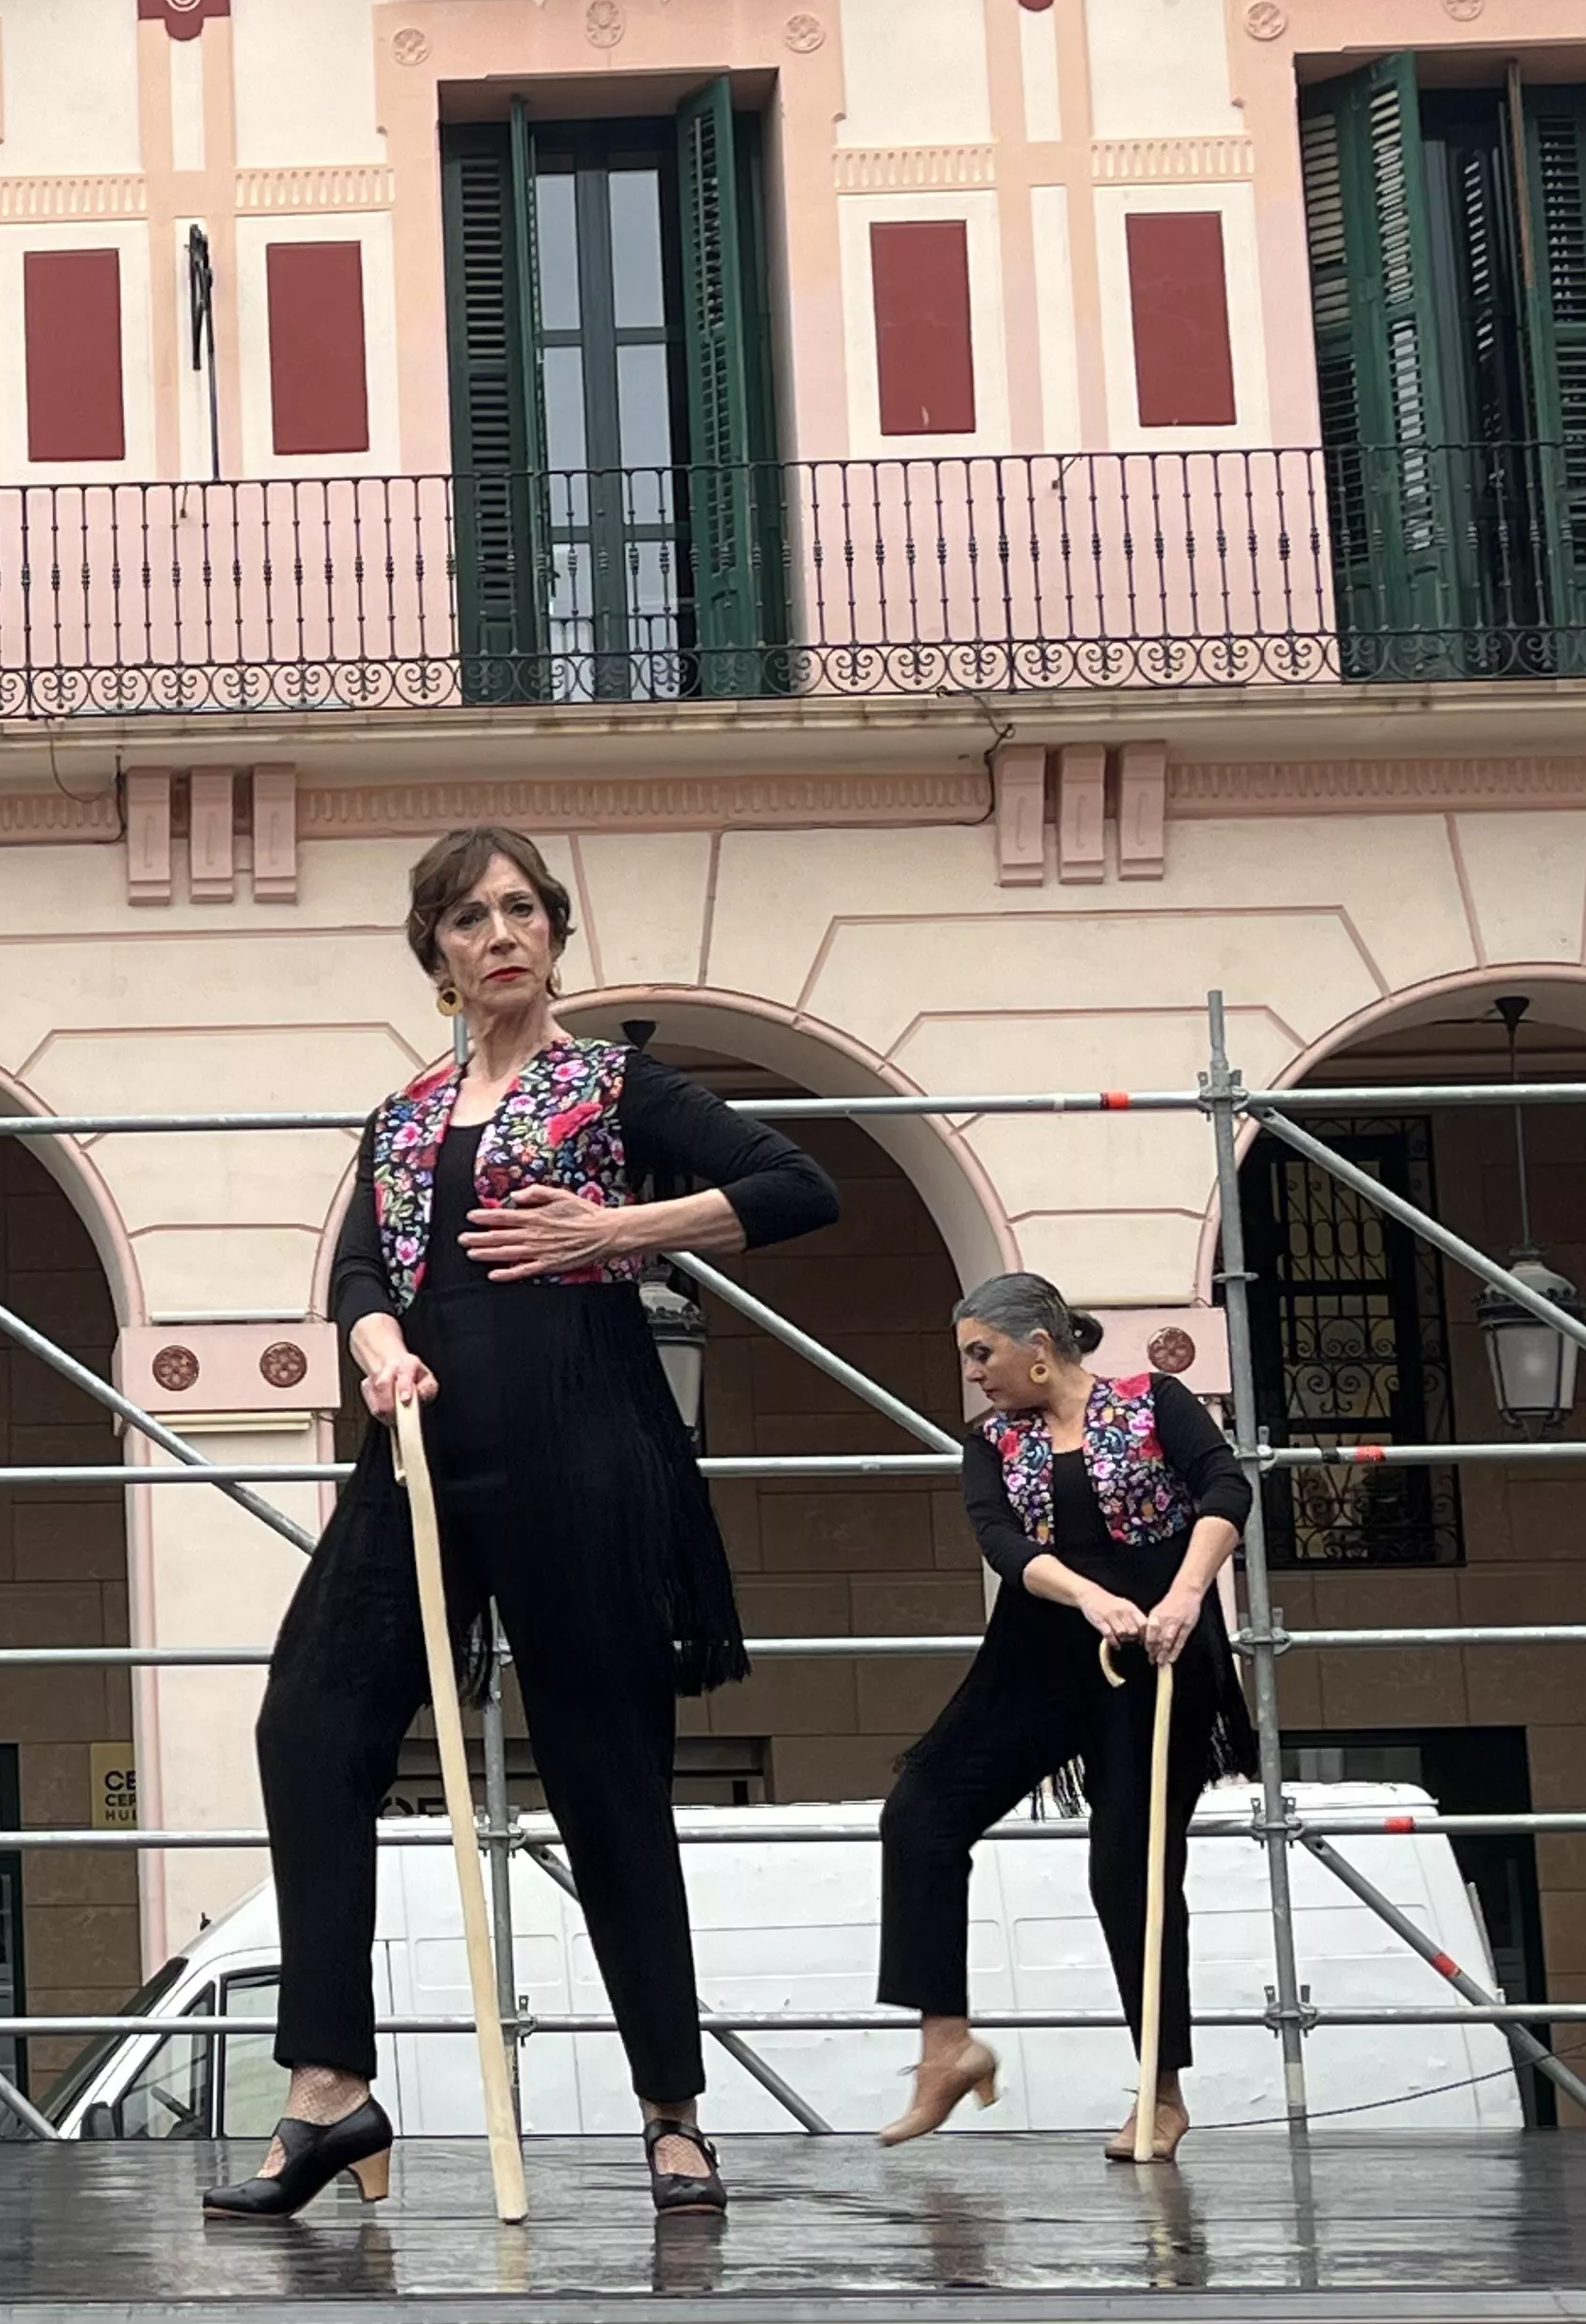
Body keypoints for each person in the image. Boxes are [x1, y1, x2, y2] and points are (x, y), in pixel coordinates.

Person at [211, 827, 839, 2226]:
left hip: (584, 1445)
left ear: (555, 932)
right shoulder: (407, 1108)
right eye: (470, 915)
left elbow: (800, 1185)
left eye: (523, 909)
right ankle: (328, 2087)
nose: (501, 932)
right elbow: (362, 1268)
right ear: (434, 948)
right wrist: (377, 1343)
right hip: (424, 1448)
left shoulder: (616, 1081)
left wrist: (622, 1229)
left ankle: (671, 2111)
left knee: (607, 1769)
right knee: (307, 1720)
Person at [875, 1271, 1253, 2160]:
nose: (973, 1372)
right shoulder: (993, 1441)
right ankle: (946, 2047)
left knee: (1131, 1869)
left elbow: (1224, 1488)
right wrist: (1089, 1595)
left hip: (1161, 1657)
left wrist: (1186, 1595)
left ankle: (1160, 2093)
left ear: (1037, 1348)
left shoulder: (1154, 1401)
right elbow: (1002, 1544)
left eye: (982, 1352)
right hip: (1039, 1655)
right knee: (920, 1812)